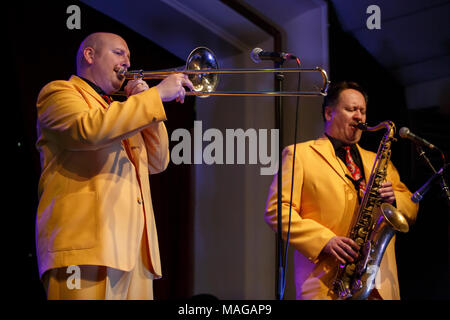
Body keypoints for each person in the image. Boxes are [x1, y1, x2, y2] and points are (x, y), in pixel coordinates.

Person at [35, 32, 194, 299]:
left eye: (129, 57)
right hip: (84, 249)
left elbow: (158, 162)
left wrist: (149, 109)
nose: (127, 63)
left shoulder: (123, 111)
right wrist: (155, 97)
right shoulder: (58, 92)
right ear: (90, 55)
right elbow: (89, 130)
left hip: (135, 255)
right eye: (119, 53)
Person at [264, 81, 419, 300]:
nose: (359, 117)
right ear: (329, 113)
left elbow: (411, 206)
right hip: (327, 284)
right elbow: (276, 211)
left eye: (363, 111)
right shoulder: (299, 155)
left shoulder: (378, 161)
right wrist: (324, 240)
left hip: (379, 286)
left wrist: (395, 200)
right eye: (351, 109)